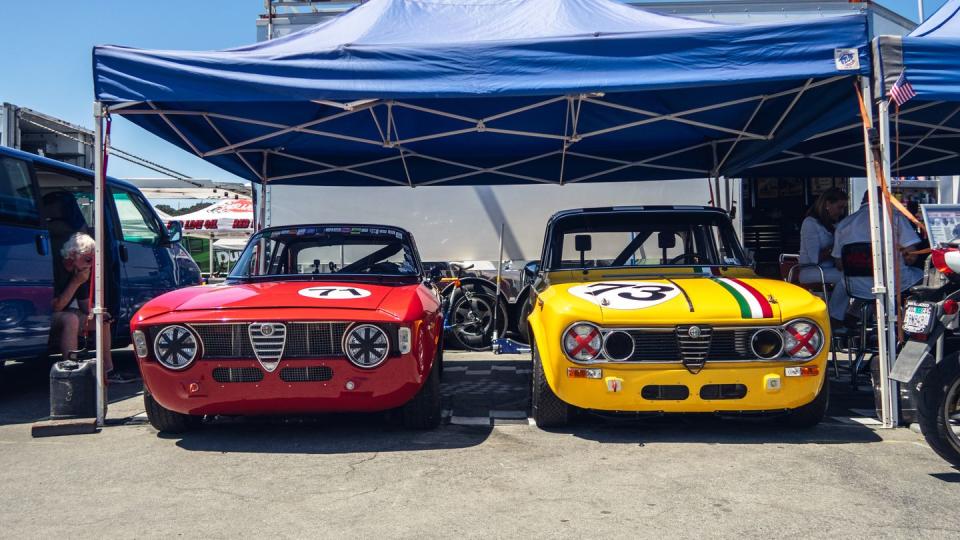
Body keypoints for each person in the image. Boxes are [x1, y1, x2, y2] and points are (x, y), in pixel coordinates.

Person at [50, 232, 133, 384]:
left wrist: (99, 311)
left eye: (93, 261)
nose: (90, 265)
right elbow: (56, 307)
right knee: (71, 319)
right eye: (88, 259)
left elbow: (84, 304)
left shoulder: (79, 271)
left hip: (64, 311)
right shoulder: (57, 268)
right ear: (73, 254)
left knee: (102, 320)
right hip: (47, 315)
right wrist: (75, 282)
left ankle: (108, 369)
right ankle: (71, 371)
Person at [832, 190, 924, 311]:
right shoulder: (895, 218)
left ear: (863, 201)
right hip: (893, 283)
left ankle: (855, 315)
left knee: (867, 284)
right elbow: (911, 255)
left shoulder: (844, 224)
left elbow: (839, 264)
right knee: (925, 277)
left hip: (856, 286)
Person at [798, 188, 850, 324]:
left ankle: (845, 314)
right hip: (812, 270)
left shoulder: (835, 224)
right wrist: (836, 247)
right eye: (839, 207)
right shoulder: (810, 223)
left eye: (844, 208)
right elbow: (814, 257)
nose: (842, 212)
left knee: (855, 275)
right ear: (827, 204)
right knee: (846, 279)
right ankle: (834, 317)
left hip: (830, 269)